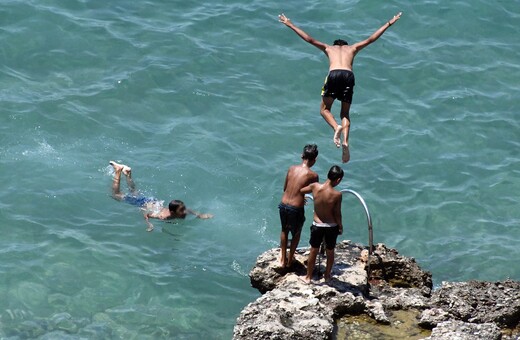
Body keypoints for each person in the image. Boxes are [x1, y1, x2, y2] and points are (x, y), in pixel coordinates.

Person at [279, 12, 402, 163]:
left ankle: (336, 127)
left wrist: (290, 24)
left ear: (335, 45)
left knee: (324, 110)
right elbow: (371, 39)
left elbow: (309, 39)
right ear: (345, 45)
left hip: (334, 74)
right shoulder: (353, 48)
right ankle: (345, 141)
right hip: (349, 76)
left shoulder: (328, 48)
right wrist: (389, 23)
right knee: (345, 113)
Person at [109, 161, 213, 232]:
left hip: (152, 202)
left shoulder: (181, 211)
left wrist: (200, 215)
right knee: (116, 195)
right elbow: (146, 214)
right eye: (181, 210)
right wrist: (149, 224)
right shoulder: (162, 216)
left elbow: (190, 210)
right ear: (172, 212)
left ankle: (128, 173)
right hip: (144, 204)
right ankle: (118, 171)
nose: (184, 212)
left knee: (134, 192)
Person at [300, 165, 344, 283]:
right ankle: (327, 276)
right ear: (338, 180)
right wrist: (340, 226)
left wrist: (303, 198)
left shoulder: (315, 187)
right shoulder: (337, 194)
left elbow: (301, 190)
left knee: (313, 251)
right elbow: (337, 213)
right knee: (330, 252)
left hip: (317, 225)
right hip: (331, 227)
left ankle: (308, 277)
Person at [278, 144, 319, 268]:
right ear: (314, 160)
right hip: (296, 208)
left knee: (284, 230)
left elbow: (285, 188)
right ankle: (290, 260)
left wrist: (299, 195)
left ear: (302, 156)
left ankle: (282, 260)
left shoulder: (291, 168)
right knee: (296, 233)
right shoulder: (313, 175)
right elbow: (314, 192)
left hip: (283, 204)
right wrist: (302, 196)